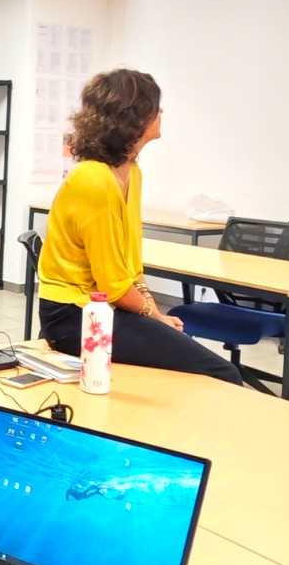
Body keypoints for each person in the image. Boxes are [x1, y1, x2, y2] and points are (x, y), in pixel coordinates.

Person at [37, 69, 241, 386]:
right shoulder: (94, 180)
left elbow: (130, 265)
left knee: (179, 355)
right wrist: (156, 317)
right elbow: (114, 283)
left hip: (103, 307)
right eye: (155, 107)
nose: (160, 113)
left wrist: (155, 314)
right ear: (135, 117)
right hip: (72, 315)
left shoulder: (132, 172)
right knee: (222, 373)